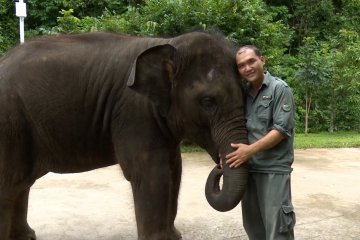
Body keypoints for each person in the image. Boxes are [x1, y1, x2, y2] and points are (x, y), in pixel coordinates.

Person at [225, 45, 296, 239]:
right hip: (249, 170)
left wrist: (249, 151)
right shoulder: (242, 94)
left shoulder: (279, 89)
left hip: (273, 170)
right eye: (241, 66)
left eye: (251, 61)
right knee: (254, 229)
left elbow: (281, 131)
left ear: (262, 60)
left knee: (278, 230)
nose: (247, 68)